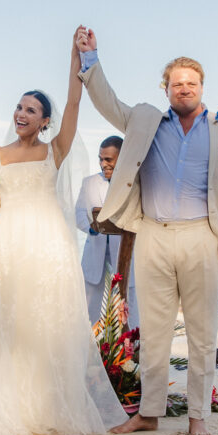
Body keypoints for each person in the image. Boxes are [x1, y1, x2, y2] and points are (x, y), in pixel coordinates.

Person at [0, 27, 126, 435]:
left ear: (45, 121)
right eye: (18, 107)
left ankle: (48, 405)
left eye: (31, 110)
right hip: (10, 243)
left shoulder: (54, 150)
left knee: (47, 323)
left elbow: (73, 101)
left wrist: (78, 57)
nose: (21, 113)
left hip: (49, 244)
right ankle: (11, 404)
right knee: (10, 326)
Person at [74, 27, 218, 435]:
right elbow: (107, 101)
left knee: (202, 333)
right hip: (153, 236)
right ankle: (148, 413)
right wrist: (90, 59)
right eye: (176, 83)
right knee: (155, 332)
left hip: (205, 238)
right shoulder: (144, 119)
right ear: (166, 88)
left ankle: (199, 416)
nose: (184, 88)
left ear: (202, 87)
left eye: (191, 83)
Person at [74, 135, 139, 328]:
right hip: (95, 256)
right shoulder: (89, 183)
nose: (103, 164)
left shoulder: (136, 182)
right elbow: (78, 214)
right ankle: (91, 351)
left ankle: (130, 352)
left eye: (108, 159)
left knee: (131, 309)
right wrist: (90, 228)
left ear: (122, 157)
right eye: (100, 159)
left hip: (127, 257)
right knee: (90, 311)